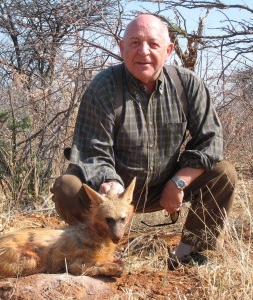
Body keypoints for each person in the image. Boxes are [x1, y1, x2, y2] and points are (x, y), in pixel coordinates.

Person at [51, 14, 237, 269]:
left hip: (166, 187)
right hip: (115, 192)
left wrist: (179, 181)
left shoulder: (187, 83)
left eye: (153, 44)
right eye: (135, 43)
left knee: (223, 173)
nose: (144, 52)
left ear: (169, 50)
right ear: (122, 47)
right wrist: (111, 187)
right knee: (68, 186)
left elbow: (211, 141)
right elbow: (92, 152)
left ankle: (188, 254)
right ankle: (95, 250)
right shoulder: (103, 86)